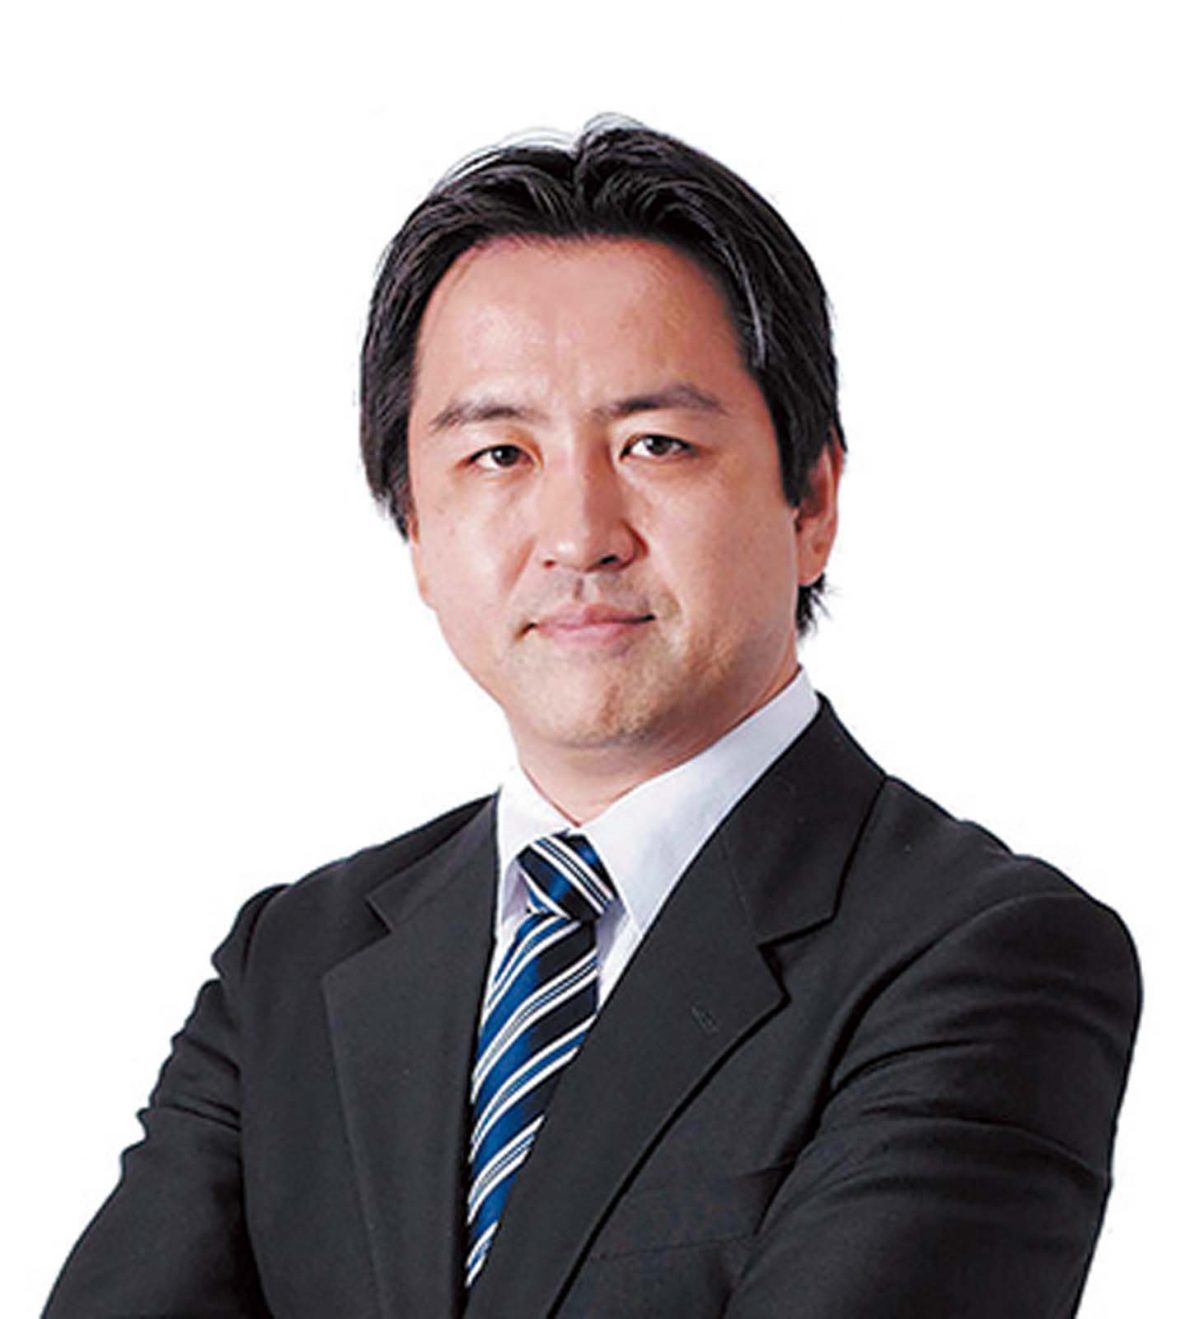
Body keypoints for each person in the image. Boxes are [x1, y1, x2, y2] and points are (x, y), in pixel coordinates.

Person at [45, 120, 1140, 1318]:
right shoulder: (294, 960)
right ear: (416, 530)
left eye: (655, 443)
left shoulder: (985, 956)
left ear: (812, 501)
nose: (578, 533)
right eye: (498, 454)